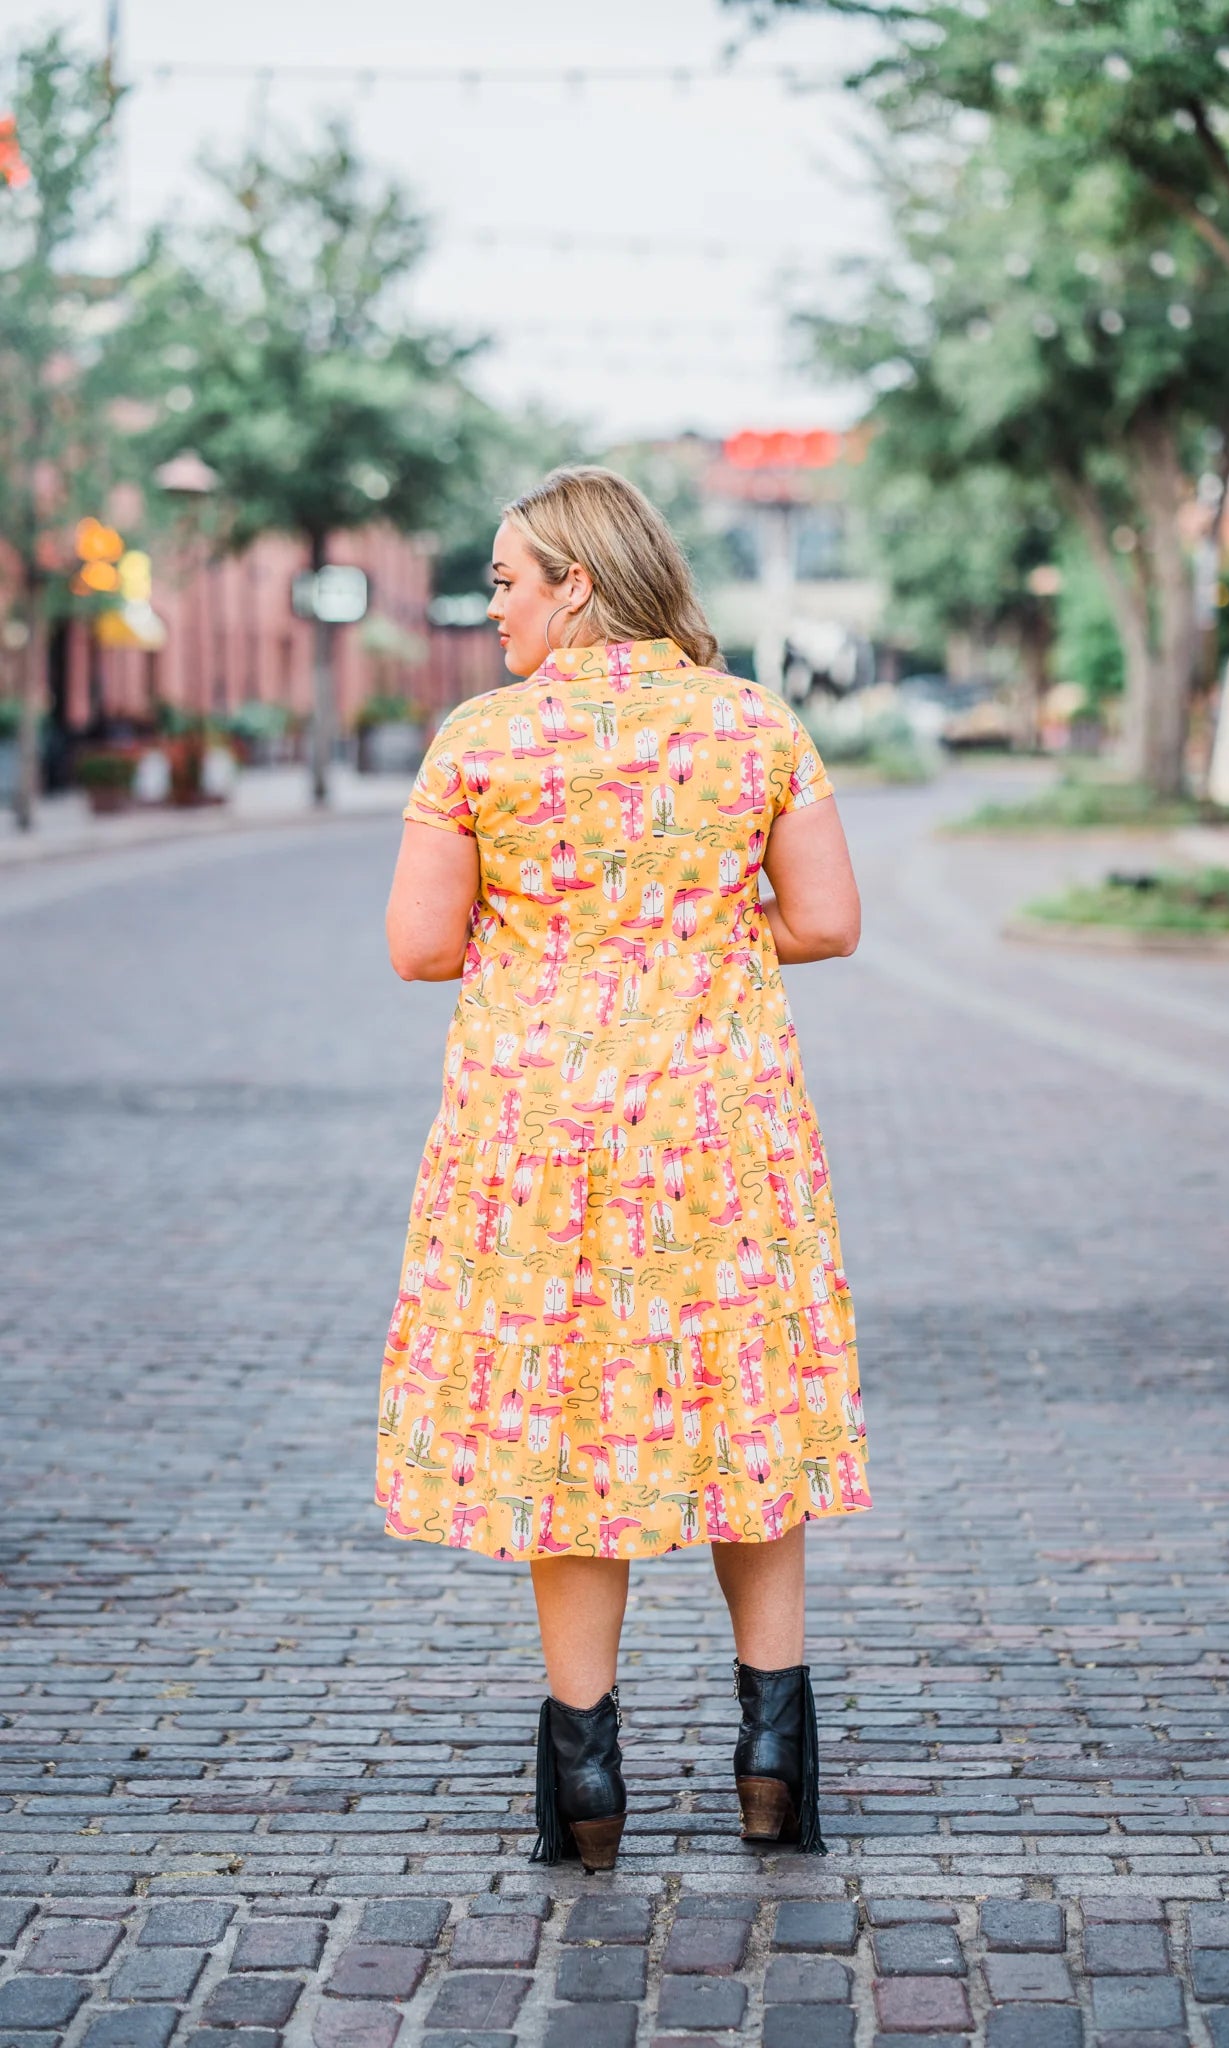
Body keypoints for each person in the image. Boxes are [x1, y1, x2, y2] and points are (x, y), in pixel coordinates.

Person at [378, 466, 869, 1872]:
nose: (493, 611)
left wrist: (563, 946)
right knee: (745, 1421)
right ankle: (771, 1752)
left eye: (504, 582)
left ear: (575, 584)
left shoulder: (478, 743)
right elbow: (826, 920)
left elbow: (419, 948)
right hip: (721, 1125)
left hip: (537, 1139)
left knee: (567, 1433)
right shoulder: (751, 724)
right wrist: (686, 936)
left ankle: (584, 1777)